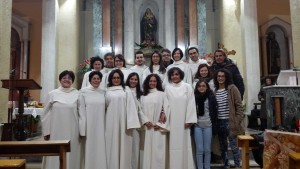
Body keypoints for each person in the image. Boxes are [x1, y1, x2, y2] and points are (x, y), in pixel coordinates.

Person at [42, 70, 82, 169]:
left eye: (69, 78)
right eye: (64, 78)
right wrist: (46, 131)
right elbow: (45, 114)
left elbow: (82, 114)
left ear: (72, 81)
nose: (66, 80)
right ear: (60, 80)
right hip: (56, 130)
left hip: (72, 130)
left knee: (71, 154)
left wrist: (82, 131)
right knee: (55, 154)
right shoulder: (52, 94)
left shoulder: (78, 94)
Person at [105, 69, 140, 169]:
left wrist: (131, 124)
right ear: (111, 79)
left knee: (124, 147)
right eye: (114, 78)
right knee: (112, 146)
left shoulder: (126, 90)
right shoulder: (107, 91)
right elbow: (105, 108)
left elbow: (132, 106)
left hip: (124, 124)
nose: (116, 79)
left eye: (118, 78)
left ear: (121, 79)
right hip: (110, 123)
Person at [164, 67, 197, 169]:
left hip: (184, 122)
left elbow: (191, 103)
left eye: (177, 74)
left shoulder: (187, 87)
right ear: (170, 76)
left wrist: (189, 120)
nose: (174, 76)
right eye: (172, 75)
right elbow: (165, 104)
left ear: (181, 75)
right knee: (173, 146)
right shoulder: (167, 88)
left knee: (185, 145)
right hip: (172, 122)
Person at [213, 69, 244, 168]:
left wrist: (237, 120)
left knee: (234, 146)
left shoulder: (232, 88)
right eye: (218, 76)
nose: (220, 78)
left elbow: (239, 106)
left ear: (226, 77)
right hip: (219, 122)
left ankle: (237, 165)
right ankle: (226, 165)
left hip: (230, 122)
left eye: (222, 76)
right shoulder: (215, 91)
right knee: (223, 147)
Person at [140, 74, 170, 169]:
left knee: (159, 153)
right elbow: (139, 110)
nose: (152, 83)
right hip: (147, 127)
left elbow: (166, 109)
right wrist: (145, 121)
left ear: (157, 83)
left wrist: (160, 124)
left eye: (154, 81)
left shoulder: (162, 94)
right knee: (147, 151)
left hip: (158, 128)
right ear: (147, 82)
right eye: (150, 81)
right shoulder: (143, 96)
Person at [78, 71, 107, 169]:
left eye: (98, 79)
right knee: (89, 148)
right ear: (89, 80)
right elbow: (81, 110)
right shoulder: (83, 92)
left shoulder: (103, 92)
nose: (96, 80)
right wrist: (82, 128)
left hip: (101, 125)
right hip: (88, 125)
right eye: (94, 79)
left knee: (100, 147)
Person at [193, 79, 218, 169]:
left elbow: (215, 112)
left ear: (207, 87)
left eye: (203, 86)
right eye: (199, 86)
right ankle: (200, 167)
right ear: (197, 88)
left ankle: (207, 167)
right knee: (199, 149)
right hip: (197, 126)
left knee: (207, 149)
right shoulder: (194, 97)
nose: (201, 88)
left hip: (208, 126)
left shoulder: (211, 97)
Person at [125, 72, 143, 169]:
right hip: (126, 123)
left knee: (135, 148)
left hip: (137, 124)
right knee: (126, 148)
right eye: (131, 79)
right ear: (128, 80)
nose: (133, 81)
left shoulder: (141, 93)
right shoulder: (124, 91)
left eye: (136, 79)